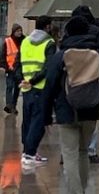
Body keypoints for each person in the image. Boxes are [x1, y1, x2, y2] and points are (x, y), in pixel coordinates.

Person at [42, 16, 99, 194]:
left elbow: (49, 87)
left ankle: (76, 192)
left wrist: (45, 116)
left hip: (66, 112)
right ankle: (82, 188)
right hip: (90, 111)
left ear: (68, 32)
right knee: (83, 152)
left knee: (69, 154)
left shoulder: (60, 57)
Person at [70, 6, 99, 164]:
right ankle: (90, 151)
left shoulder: (70, 31)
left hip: (72, 79)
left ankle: (69, 152)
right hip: (92, 78)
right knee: (92, 117)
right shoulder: (97, 32)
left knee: (71, 118)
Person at [17, 15, 55, 167]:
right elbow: (48, 67)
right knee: (37, 122)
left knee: (27, 120)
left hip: (26, 86)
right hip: (40, 87)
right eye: (50, 25)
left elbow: (19, 62)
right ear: (47, 27)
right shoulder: (49, 43)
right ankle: (30, 154)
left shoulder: (25, 41)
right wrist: (33, 81)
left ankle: (27, 151)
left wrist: (23, 80)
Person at [1, 23, 24, 114]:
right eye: (18, 31)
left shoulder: (24, 40)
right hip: (10, 69)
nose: (20, 32)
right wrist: (3, 66)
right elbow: (3, 55)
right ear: (13, 31)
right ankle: (9, 105)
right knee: (9, 86)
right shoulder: (8, 41)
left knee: (17, 88)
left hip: (20, 69)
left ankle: (13, 105)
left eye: (21, 31)